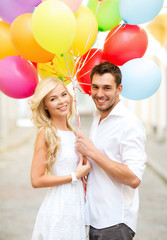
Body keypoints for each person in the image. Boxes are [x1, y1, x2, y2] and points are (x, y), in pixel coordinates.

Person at [75, 61, 147, 240]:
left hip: (114, 224)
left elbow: (133, 178)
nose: (99, 94)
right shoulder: (98, 116)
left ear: (119, 88)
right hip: (93, 219)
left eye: (107, 88)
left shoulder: (129, 123)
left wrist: (93, 152)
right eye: (95, 87)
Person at [30, 76, 91, 240]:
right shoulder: (47, 133)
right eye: (53, 98)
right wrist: (74, 176)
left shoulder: (73, 133)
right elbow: (36, 180)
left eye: (64, 94)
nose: (61, 101)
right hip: (59, 208)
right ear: (45, 105)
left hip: (76, 206)